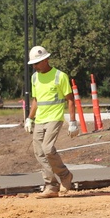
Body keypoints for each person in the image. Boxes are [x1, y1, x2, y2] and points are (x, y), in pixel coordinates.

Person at [24, 46, 79, 198]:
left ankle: (65, 175)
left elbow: (70, 100)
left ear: (46, 59)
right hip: (40, 119)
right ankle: (51, 185)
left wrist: (73, 122)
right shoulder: (34, 77)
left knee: (47, 149)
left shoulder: (60, 76)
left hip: (55, 118)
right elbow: (36, 100)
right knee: (39, 152)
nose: (35, 66)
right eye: (34, 64)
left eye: (38, 63)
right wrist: (30, 118)